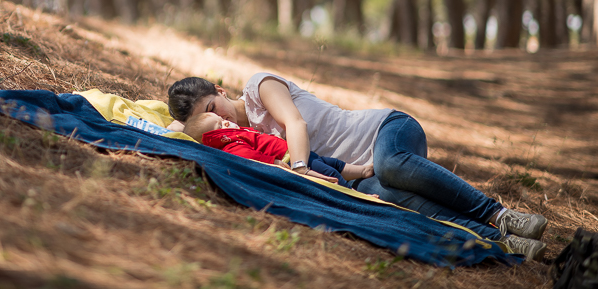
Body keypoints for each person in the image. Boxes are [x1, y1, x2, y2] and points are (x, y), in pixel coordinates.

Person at [168, 73, 549, 261]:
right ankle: (502, 241)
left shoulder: (258, 87)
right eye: (209, 120)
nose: (220, 120)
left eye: (212, 108)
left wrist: (299, 168)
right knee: (393, 197)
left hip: (387, 132)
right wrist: (187, 125)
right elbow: (175, 131)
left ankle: (500, 214)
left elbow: (296, 125)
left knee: (391, 168)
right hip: (355, 174)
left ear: (219, 91)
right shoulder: (237, 143)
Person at [183, 111, 374, 188]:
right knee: (329, 171)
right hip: (289, 158)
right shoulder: (230, 144)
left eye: (220, 118)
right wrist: (273, 162)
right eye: (218, 126)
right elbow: (248, 155)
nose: (224, 121)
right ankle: (353, 193)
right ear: (212, 139)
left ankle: (362, 170)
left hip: (296, 152)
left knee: (333, 163)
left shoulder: (236, 133)